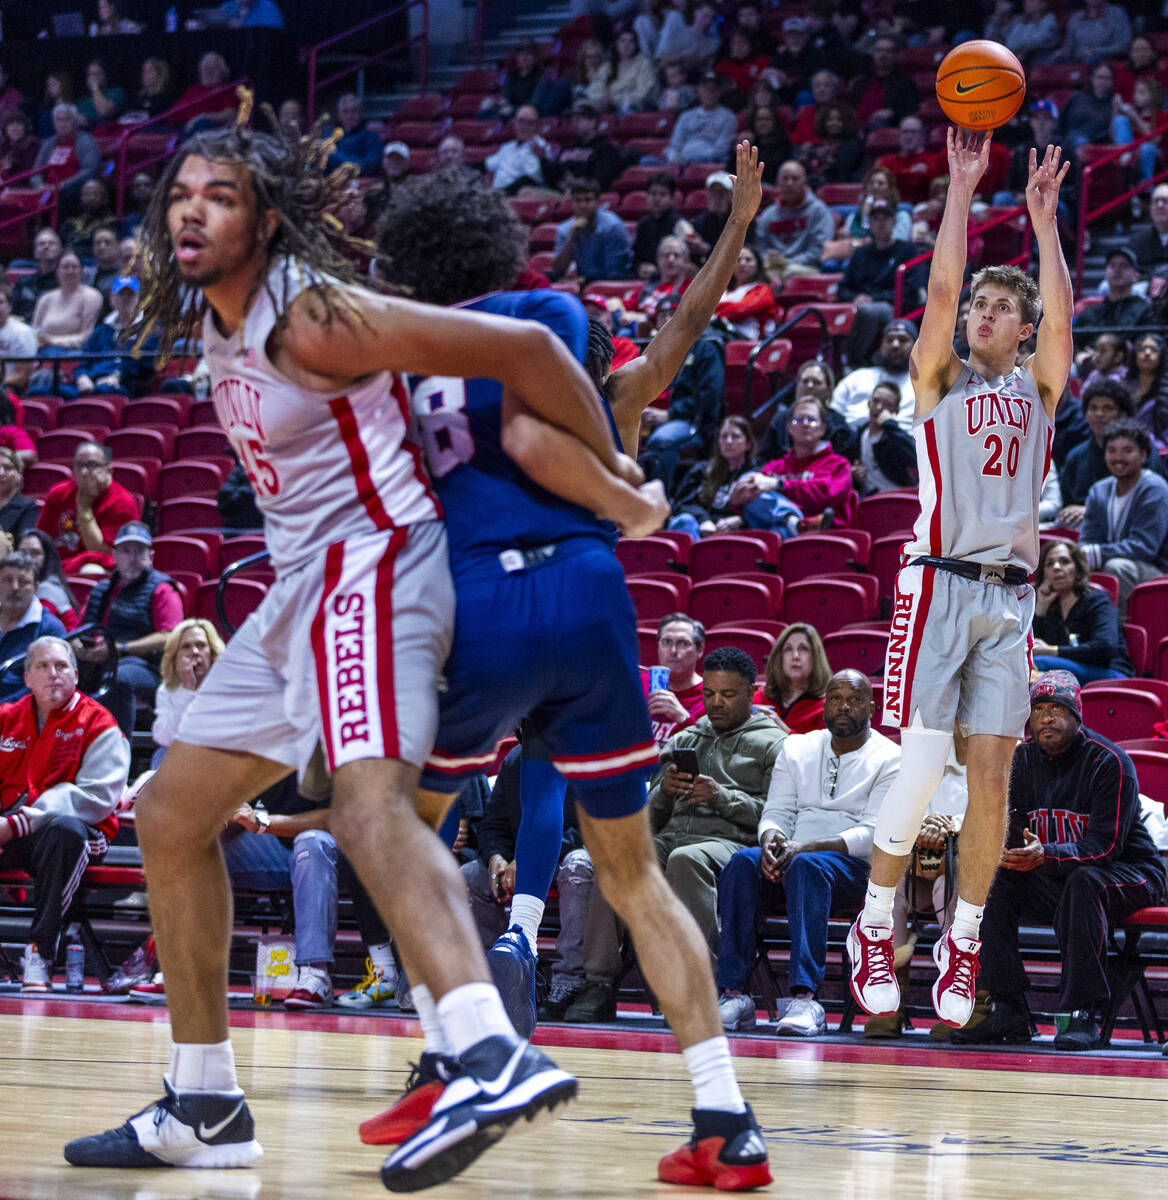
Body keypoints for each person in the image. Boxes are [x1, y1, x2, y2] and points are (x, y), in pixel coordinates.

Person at [63, 113, 626, 1189]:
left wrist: (615, 481)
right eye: (183, 191)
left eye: (221, 195)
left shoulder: (312, 315)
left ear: (264, 219)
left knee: (368, 808)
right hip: (301, 591)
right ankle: (206, 1099)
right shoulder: (222, 328)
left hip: (380, 568)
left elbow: (527, 347)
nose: (193, 208)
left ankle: (486, 1049)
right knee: (169, 813)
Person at [372, 154, 772, 1189]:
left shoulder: (408, 362)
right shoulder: (579, 351)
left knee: (399, 835)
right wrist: (737, 224)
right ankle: (725, 1119)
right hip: (596, 600)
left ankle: (448, 1057)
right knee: (632, 874)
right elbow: (686, 324)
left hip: (492, 603)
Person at [846, 128, 1073, 1035]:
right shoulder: (937, 382)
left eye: (996, 308)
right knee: (925, 759)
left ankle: (964, 940)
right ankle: (873, 924)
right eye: (976, 302)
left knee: (992, 779)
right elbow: (938, 288)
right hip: (935, 584)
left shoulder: (1041, 393)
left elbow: (1065, 320)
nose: (979, 312)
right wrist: (960, 189)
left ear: (1020, 329)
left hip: (1010, 599)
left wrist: (1045, 227)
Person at [567, 645, 785, 1017]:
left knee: (687, 859)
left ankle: (702, 983)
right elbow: (647, 820)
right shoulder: (686, 739)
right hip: (673, 836)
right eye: (709, 694)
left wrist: (722, 798)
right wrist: (664, 794)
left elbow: (778, 818)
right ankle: (598, 982)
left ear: (751, 692)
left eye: (728, 695)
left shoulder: (775, 745)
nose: (716, 703)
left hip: (733, 844)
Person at [953, 671, 1166, 1049]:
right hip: (1055, 873)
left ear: (1076, 715)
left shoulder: (1109, 762)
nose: (1046, 717)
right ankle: (1010, 1009)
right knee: (990, 882)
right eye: (1038, 709)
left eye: (1056, 708)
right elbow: (1012, 827)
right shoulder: (1020, 761)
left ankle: (1083, 1012)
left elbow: (1106, 847)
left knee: (1085, 880)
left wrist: (1046, 854)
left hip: (1131, 874)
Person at [717, 670, 899, 1034]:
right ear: (824, 705)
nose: (844, 706)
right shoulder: (797, 747)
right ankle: (734, 992)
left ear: (872, 707)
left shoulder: (891, 757)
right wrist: (772, 841)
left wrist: (806, 848)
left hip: (855, 868)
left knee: (807, 866)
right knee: (741, 862)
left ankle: (805, 998)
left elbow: (876, 832)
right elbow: (777, 811)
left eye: (854, 698)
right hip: (796, 856)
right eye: (835, 698)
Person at [0, 635, 129, 992]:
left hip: (81, 832)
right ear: (27, 677)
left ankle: (39, 954)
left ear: (75, 674)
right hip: (11, 829)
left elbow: (96, 798)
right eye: (42, 666)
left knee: (65, 833)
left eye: (60, 666)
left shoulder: (100, 723)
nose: (52, 674)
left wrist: (14, 823)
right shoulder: (5, 718)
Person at [460, 747, 593, 1022]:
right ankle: (496, 977)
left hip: (572, 851)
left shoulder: (585, 751)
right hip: (519, 857)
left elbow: (589, 828)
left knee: (577, 868)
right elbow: (492, 824)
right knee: (470, 877)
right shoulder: (515, 760)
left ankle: (569, 981)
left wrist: (529, 859)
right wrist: (496, 857)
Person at [76, 521, 183, 736]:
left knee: (120, 678)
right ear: (114, 555)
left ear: (151, 556)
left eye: (139, 550)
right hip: (103, 661)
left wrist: (120, 648)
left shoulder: (162, 589)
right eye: (126, 550)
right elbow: (79, 631)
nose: (133, 557)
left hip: (148, 667)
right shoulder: (102, 589)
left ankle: (120, 749)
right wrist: (78, 648)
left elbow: (170, 637)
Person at [1079, 419, 1168, 615]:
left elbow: (1145, 547)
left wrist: (1096, 554)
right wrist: (1085, 555)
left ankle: (1120, 629)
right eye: (1112, 450)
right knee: (1068, 565)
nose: (1118, 457)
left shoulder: (1155, 489)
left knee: (1116, 567)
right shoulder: (1099, 490)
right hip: (1115, 561)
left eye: (1127, 450)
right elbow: (1087, 541)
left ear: (1143, 455)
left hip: (1157, 570)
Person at [730, 398, 852, 536]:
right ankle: (794, 522)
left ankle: (792, 523)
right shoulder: (774, 468)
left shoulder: (839, 465)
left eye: (811, 420)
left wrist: (779, 485)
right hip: (775, 534)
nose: (805, 424)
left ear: (822, 428)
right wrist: (736, 503)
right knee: (748, 478)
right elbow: (755, 504)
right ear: (789, 428)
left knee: (777, 532)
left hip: (824, 539)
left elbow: (825, 494)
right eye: (798, 420)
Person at [836, 199, 927, 365]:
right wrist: (856, 297)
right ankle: (834, 360)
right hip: (863, 302)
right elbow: (843, 287)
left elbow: (913, 288)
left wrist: (874, 298)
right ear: (869, 224)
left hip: (894, 304)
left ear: (894, 222)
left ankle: (855, 362)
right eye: (876, 219)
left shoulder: (908, 250)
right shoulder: (861, 253)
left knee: (868, 311)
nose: (881, 223)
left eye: (885, 218)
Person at [1031, 539, 1133, 682]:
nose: (1056, 567)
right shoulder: (1050, 607)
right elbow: (1032, 646)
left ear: (1077, 568)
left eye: (1064, 561)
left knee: (1040, 664)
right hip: (1070, 671)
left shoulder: (1097, 599)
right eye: (1049, 564)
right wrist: (1040, 609)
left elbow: (1105, 647)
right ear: (1044, 573)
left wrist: (1053, 651)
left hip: (1110, 673)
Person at [37, 441, 139, 576]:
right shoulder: (58, 494)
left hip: (95, 572)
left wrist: (84, 506)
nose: (84, 472)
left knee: (92, 570)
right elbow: (40, 539)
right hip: (56, 567)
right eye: (79, 465)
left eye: (91, 465)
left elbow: (101, 552)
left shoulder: (122, 502)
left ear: (109, 471)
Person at [1057, 380, 1136, 525]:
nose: (1099, 414)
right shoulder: (1076, 456)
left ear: (1123, 414)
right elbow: (1065, 504)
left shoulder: (1140, 453)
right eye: (1093, 408)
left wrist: (1090, 511)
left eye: (1107, 408)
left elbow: (1142, 504)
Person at [669, 415, 759, 537]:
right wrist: (704, 520)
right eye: (724, 436)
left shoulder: (755, 474)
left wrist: (741, 520)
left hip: (738, 531)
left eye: (735, 436)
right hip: (703, 529)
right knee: (683, 521)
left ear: (748, 444)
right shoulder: (702, 470)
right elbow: (682, 503)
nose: (728, 441)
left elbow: (761, 510)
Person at [151, 618, 226, 760]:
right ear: (175, 656)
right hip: (183, 757)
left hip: (220, 757)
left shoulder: (227, 687)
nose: (195, 652)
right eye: (186, 646)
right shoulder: (167, 690)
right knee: (161, 756)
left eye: (201, 645)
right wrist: (187, 690)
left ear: (212, 652)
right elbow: (164, 738)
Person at [73, 276, 160, 397]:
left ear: (140, 300)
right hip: (91, 382)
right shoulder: (100, 331)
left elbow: (144, 365)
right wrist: (82, 378)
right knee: (51, 392)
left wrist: (117, 376)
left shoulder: (150, 331)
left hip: (126, 386)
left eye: (131, 295)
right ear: (112, 299)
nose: (125, 299)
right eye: (121, 294)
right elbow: (84, 362)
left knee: (104, 391)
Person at [0, 552, 67, 700]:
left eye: (23, 582)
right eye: (7, 580)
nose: (15, 587)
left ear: (36, 587)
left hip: (18, 713)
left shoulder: (50, 629)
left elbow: (44, 688)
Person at [755, 160, 833, 283]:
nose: (789, 183)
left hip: (807, 267)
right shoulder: (768, 215)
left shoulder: (818, 211)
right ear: (778, 182)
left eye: (795, 179)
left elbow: (819, 251)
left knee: (790, 272)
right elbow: (761, 248)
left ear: (804, 182)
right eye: (785, 179)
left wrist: (786, 262)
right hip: (773, 268)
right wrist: (769, 257)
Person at [830, 318, 916, 428]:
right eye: (889, 340)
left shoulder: (925, 386)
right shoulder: (857, 377)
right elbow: (834, 414)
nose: (895, 345)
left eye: (903, 340)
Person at [551, 175, 633, 282]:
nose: (583, 205)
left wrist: (585, 280)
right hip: (584, 282)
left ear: (598, 202)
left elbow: (615, 270)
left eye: (588, 200)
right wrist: (571, 237)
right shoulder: (565, 229)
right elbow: (558, 270)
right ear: (572, 202)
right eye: (578, 201)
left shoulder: (613, 226)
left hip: (613, 281)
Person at [845, 380, 918, 495]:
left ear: (896, 410)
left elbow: (914, 458)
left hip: (898, 496)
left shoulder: (895, 437)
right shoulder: (858, 436)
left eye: (887, 405)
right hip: (870, 498)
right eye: (876, 401)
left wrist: (890, 424)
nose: (879, 407)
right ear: (869, 403)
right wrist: (854, 474)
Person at [643, 612, 706, 746]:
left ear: (700, 650)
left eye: (682, 643)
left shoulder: (710, 696)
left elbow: (708, 755)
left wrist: (683, 719)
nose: (673, 650)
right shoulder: (639, 684)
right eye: (666, 642)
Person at [754, 623, 829, 734]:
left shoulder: (825, 708)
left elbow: (820, 750)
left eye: (803, 648)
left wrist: (783, 729)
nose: (795, 656)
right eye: (788, 649)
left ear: (815, 657)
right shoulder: (759, 698)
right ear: (780, 657)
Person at [32, 104, 100, 212]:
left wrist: (62, 185)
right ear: (54, 123)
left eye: (66, 119)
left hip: (72, 189)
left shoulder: (86, 141)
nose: (62, 124)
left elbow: (89, 170)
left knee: (62, 198)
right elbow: (36, 171)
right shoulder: (49, 143)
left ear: (75, 121)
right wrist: (40, 185)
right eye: (58, 120)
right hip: (48, 190)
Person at [31, 251, 103, 351]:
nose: (70, 271)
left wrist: (52, 340)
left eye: (74, 267)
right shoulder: (46, 298)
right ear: (58, 271)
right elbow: (35, 331)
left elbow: (87, 336)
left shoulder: (92, 296)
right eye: (65, 267)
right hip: (44, 351)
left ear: (81, 271)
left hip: (76, 353)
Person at [1074, 248, 1152, 339]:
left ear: (1136, 276)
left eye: (1124, 266)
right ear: (1105, 274)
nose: (1117, 270)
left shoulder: (1144, 310)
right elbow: (1075, 345)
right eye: (1112, 265)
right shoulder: (1089, 312)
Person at [664, 73, 737, 166]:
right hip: (680, 161)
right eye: (705, 88)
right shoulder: (686, 116)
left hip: (707, 162)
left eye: (714, 88)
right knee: (647, 161)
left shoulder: (728, 117)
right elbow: (675, 144)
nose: (709, 91)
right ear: (698, 90)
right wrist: (674, 157)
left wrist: (690, 159)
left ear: (720, 91)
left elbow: (721, 150)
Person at [851, 35, 919, 131]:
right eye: (879, 50)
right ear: (873, 53)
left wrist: (892, 113)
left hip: (887, 127)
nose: (883, 55)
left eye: (888, 51)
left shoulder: (905, 83)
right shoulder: (861, 83)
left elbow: (911, 109)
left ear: (895, 55)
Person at [18, 529, 79, 629]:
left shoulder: (48, 589)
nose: (27, 559)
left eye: (35, 553)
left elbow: (35, 629)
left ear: (47, 557)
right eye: (23, 553)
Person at [713, 245, 777, 340]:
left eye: (748, 260)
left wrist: (715, 310)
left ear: (758, 265)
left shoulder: (762, 289)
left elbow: (740, 311)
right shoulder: (725, 291)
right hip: (720, 333)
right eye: (738, 260)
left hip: (747, 341)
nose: (742, 264)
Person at [485, 105, 550, 192]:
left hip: (517, 198)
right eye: (521, 121)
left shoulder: (541, 147)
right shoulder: (508, 147)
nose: (524, 126)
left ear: (538, 125)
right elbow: (487, 164)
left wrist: (500, 193)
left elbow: (530, 180)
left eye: (530, 122)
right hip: (497, 196)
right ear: (514, 123)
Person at [632, 174, 683, 278]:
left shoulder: (680, 224)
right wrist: (640, 267)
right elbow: (636, 259)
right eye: (653, 194)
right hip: (645, 278)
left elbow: (683, 263)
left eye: (662, 194)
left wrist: (657, 271)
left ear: (672, 199)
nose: (657, 199)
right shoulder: (643, 225)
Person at [1056, 0, 1131, 65]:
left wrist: (1094, 51)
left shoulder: (1117, 13)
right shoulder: (1076, 18)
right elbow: (1069, 47)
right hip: (1076, 60)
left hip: (1106, 60)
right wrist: (1062, 52)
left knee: (1089, 60)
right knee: (1053, 61)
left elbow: (1123, 46)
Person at [12, 227, 63, 321]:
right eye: (41, 244)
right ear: (35, 252)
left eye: (51, 243)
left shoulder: (66, 282)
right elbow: (12, 312)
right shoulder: (23, 281)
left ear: (60, 250)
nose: (46, 246)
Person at [326, 94, 382, 177]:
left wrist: (334, 157)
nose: (349, 116)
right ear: (339, 116)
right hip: (331, 184)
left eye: (353, 111)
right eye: (345, 111)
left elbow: (370, 166)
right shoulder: (331, 139)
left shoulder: (371, 137)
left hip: (359, 183)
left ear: (361, 113)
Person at [0, 284, 38, 395]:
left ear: (10, 306)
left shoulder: (21, 332)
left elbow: (23, 376)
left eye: (1, 302)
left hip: (12, 394)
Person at [1131, 183, 1168, 277]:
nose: (1160, 205)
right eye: (1155, 201)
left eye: (1165, 201)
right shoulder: (1137, 241)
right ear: (1150, 209)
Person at [77, 59, 126, 129]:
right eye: (90, 74)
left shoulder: (116, 91)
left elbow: (105, 112)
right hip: (88, 136)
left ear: (105, 76)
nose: (93, 78)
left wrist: (95, 88)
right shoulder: (83, 101)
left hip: (110, 135)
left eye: (97, 74)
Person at [0, 450, 36, 542]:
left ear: (18, 473)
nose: (1, 473)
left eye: (8, 468)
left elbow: (24, 548)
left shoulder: (28, 507)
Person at [0, 110, 40, 181]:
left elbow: (26, 174)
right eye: (11, 124)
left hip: (20, 187)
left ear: (25, 127)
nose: (15, 128)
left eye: (19, 124)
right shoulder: (4, 147)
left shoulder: (32, 145)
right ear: (5, 129)